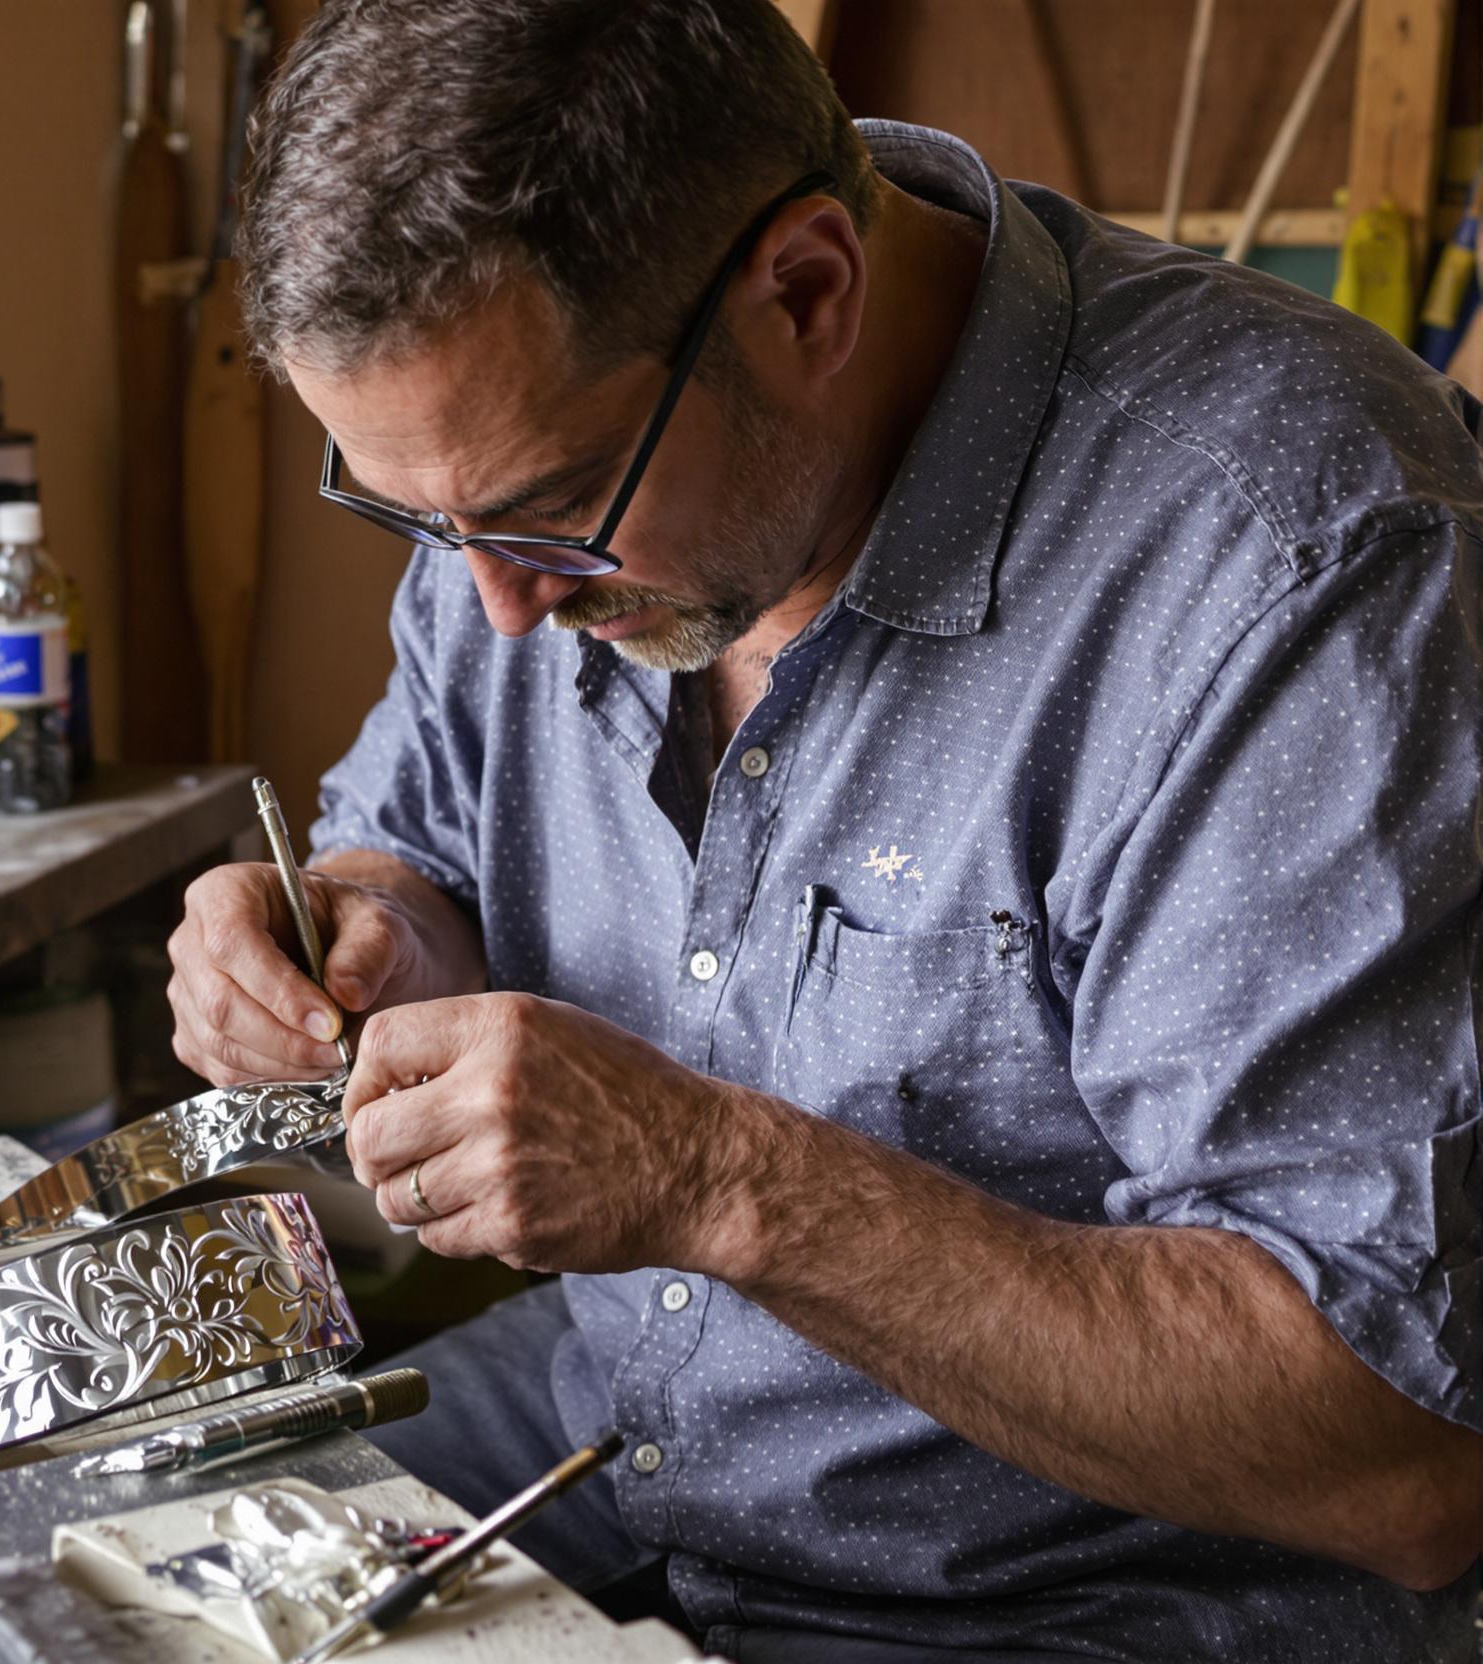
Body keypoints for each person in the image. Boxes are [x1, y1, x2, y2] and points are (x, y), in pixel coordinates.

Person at [164, 2, 1483, 1658]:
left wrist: (713, 1178)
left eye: (547, 516)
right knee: (78, 1584)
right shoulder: (524, 455)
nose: (490, 602)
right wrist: (355, 923)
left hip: (1069, 1598)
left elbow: (1398, 1453)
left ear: (807, 293)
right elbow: (417, 834)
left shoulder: (1291, 549)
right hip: (607, 1451)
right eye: (414, 518)